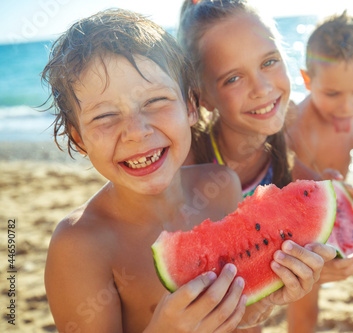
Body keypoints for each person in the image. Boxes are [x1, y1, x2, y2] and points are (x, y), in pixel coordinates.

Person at [42, 9, 335, 333]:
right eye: (105, 116)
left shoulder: (221, 183)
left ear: (191, 106)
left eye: (155, 101)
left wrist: (266, 299)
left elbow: (237, 319)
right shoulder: (78, 246)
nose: (136, 131)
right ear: (78, 137)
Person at [178, 3, 353, 331]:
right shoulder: (189, 161)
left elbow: (311, 188)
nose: (262, 88)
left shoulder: (281, 145)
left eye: (269, 61)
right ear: (203, 96)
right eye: (233, 78)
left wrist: (334, 200)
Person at [285, 12, 353, 333]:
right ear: (307, 80)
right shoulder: (300, 121)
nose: (347, 106)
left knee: (314, 300)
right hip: (302, 229)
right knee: (304, 305)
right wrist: (326, 186)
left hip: (334, 211)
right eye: (332, 94)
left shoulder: (344, 110)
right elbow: (284, 167)